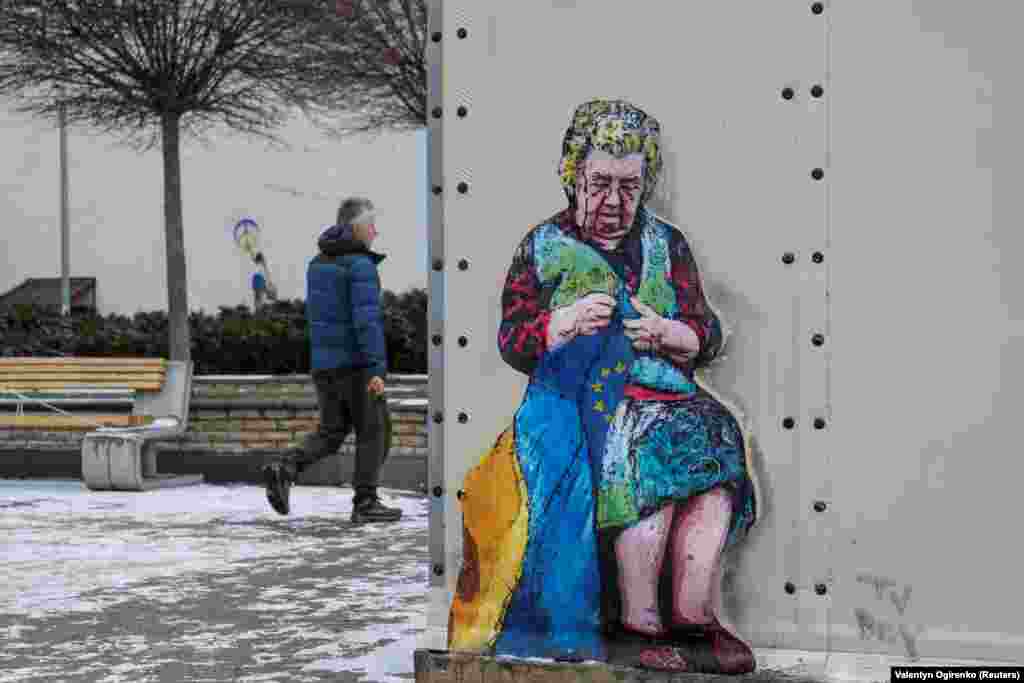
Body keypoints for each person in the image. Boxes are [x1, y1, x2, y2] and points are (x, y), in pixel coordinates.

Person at [447, 100, 757, 674]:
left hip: (667, 394)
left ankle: (695, 615)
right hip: (584, 402)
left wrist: (668, 333)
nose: (614, 203)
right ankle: (638, 622)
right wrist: (560, 324)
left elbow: (706, 332)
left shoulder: (667, 244)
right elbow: (514, 338)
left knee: (715, 447)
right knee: (643, 460)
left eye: (629, 187)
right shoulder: (543, 245)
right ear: (573, 178)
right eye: (599, 185)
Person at [262, 197, 402, 524]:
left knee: (331, 432)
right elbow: (366, 321)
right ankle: (365, 503)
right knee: (375, 430)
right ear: (355, 227)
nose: (375, 231)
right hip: (355, 367)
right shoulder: (360, 266)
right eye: (371, 224)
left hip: (325, 365)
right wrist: (376, 369)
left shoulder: (318, 263)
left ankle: (285, 466)